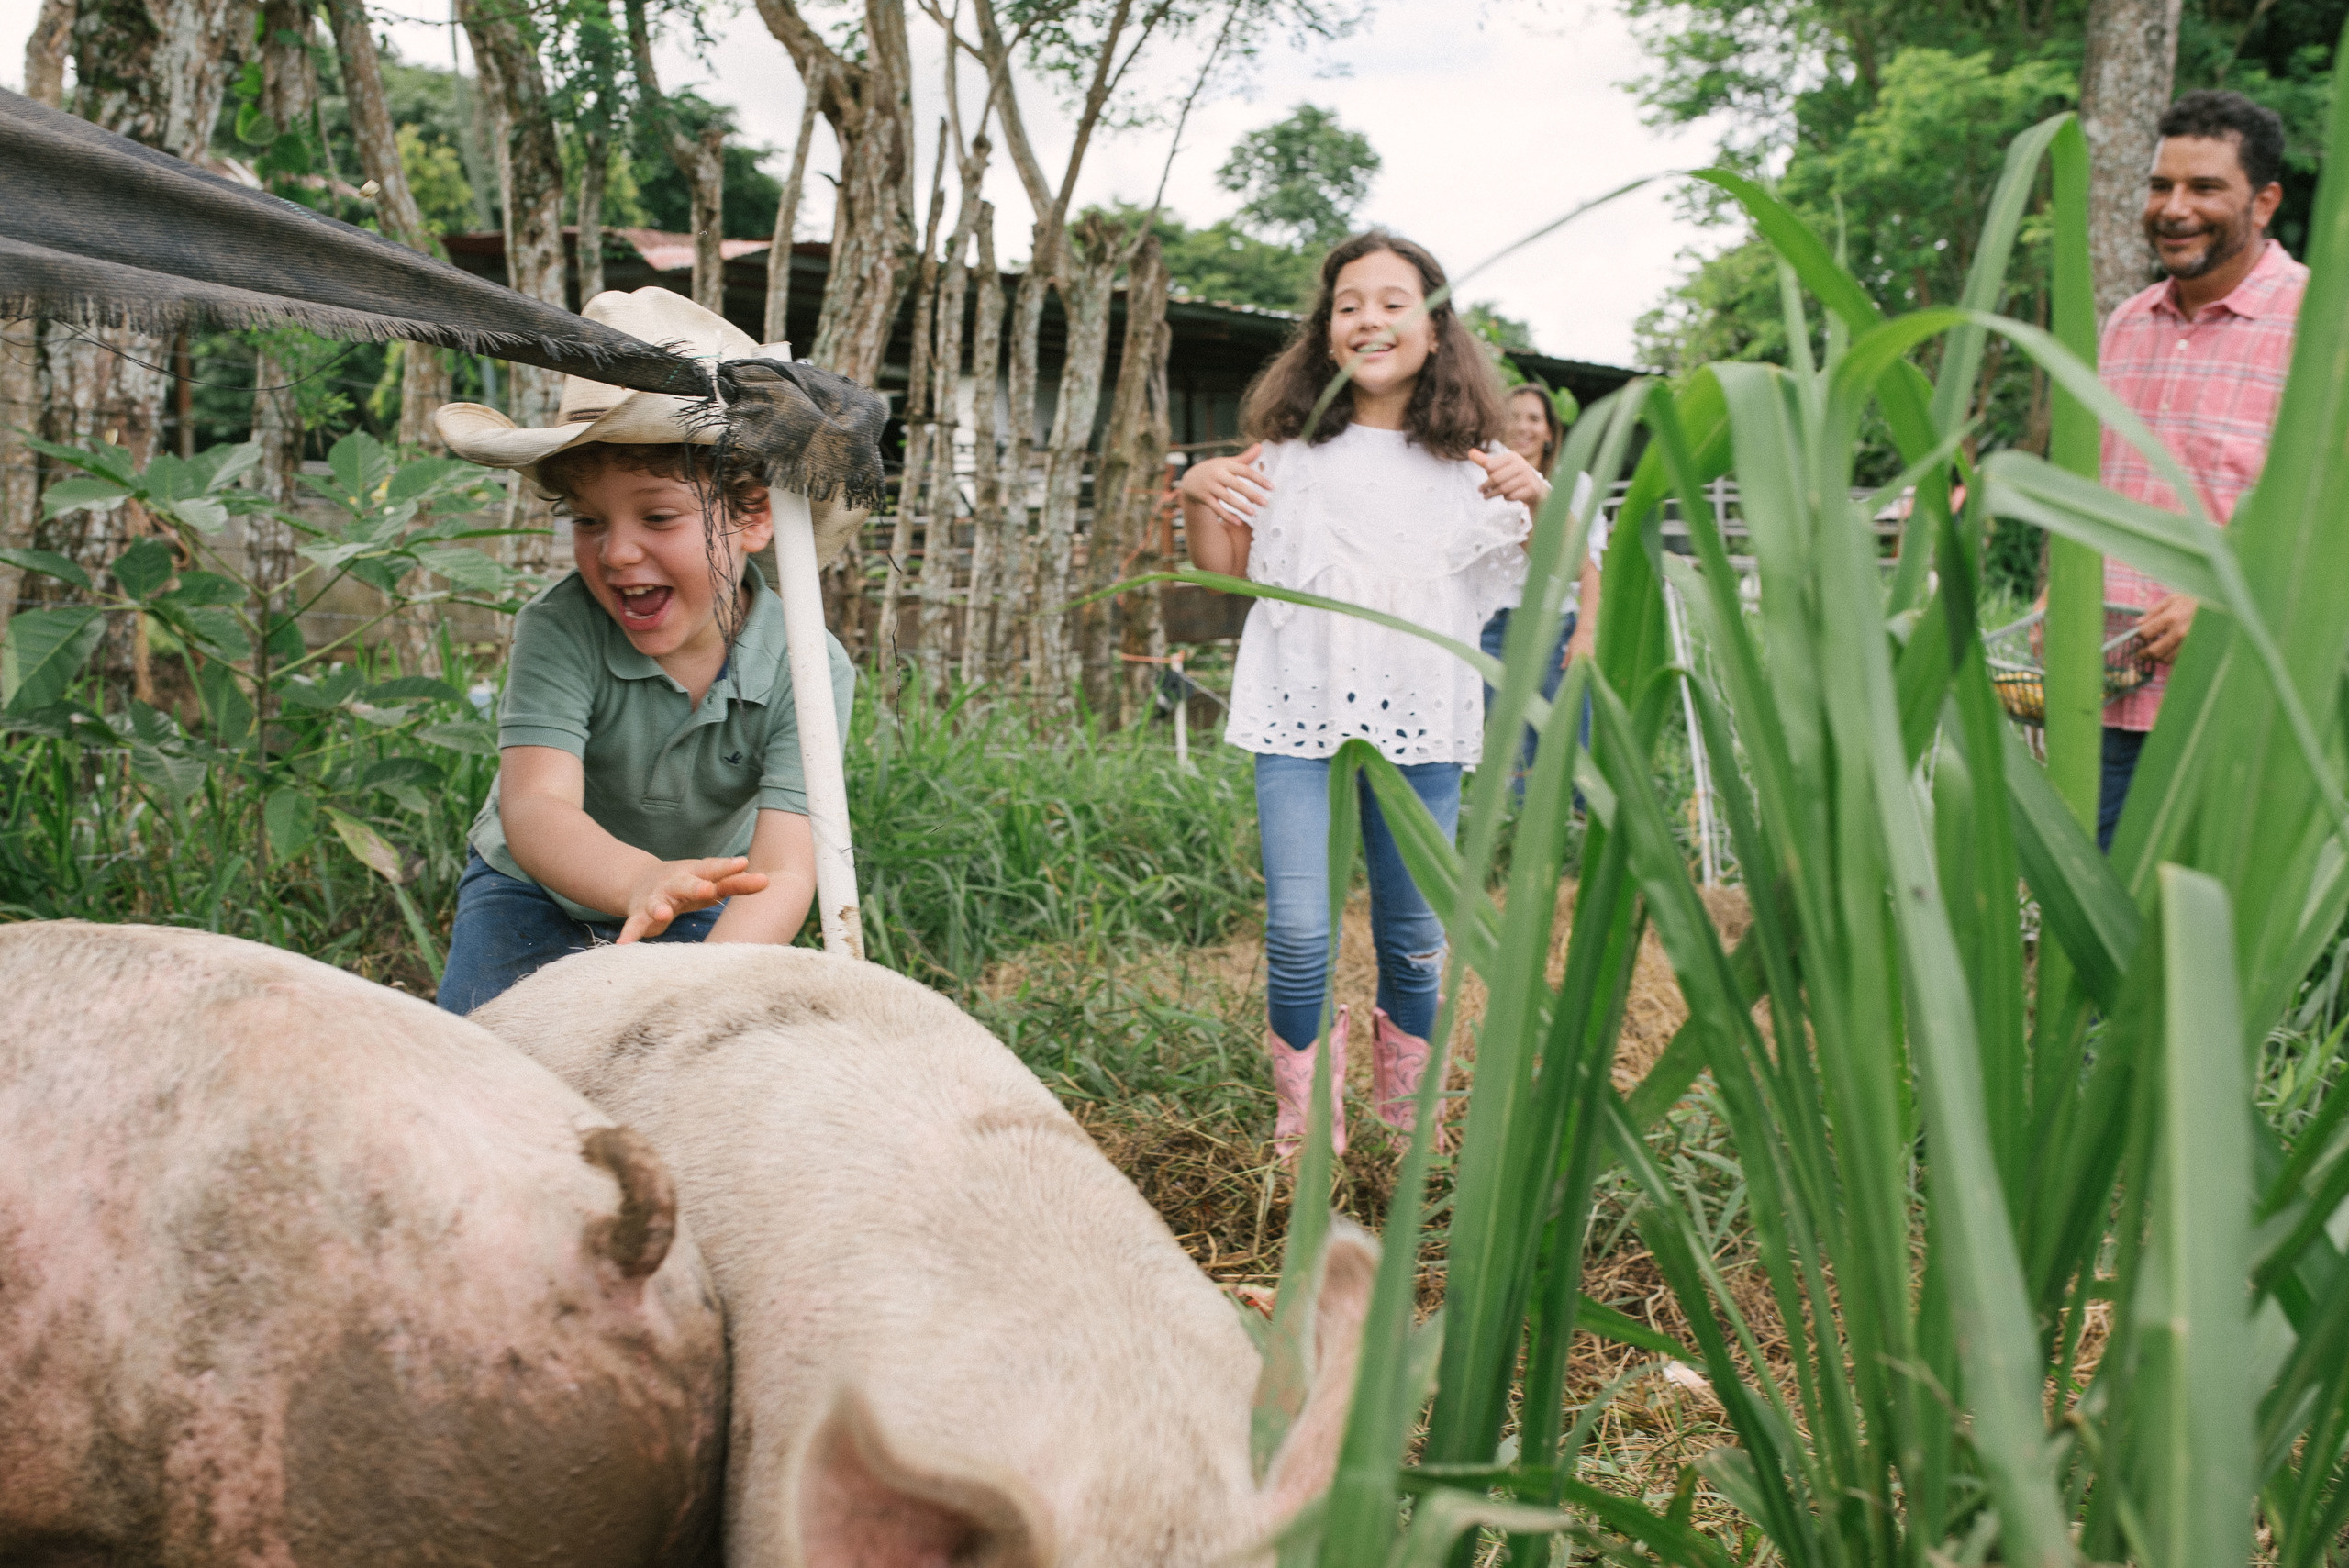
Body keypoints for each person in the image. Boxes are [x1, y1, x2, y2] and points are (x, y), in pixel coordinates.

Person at [1179, 230, 1548, 1160]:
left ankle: (1401, 1116)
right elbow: (1231, 577)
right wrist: (1194, 491)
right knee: (1299, 931)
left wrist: (1539, 500)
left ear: (1434, 329)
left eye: (1393, 301)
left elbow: (1537, 583)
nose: (1369, 318)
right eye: (1348, 304)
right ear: (1325, 332)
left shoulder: (1473, 467)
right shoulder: (1286, 456)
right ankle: (1304, 1125)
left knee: (1415, 935)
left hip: (1424, 720)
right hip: (1299, 716)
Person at [430, 287, 860, 1013]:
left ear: (753, 514)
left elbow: (785, 872)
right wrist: (637, 880)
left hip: (699, 896)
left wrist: (694, 989)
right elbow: (535, 806)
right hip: (532, 890)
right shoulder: (559, 627)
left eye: (658, 516)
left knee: (685, 1061)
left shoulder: (809, 668)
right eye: (589, 520)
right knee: (484, 1055)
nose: (618, 551)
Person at [2094, 88, 2307, 850]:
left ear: (2264, 202)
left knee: (2200, 945)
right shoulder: (2127, 323)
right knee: (2091, 944)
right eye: (2161, 186)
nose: (2174, 208)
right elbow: (2100, 486)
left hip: (2238, 709)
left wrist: (2222, 598)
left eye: (2205, 187)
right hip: (2107, 704)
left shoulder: (2321, 326)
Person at [1479, 381, 1604, 784]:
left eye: (1534, 418)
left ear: (1550, 431)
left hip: (1555, 622)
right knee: (1507, 740)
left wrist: (1585, 631)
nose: (1523, 427)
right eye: (1513, 417)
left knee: (1563, 733)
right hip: (1493, 625)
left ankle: (1575, 821)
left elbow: (1591, 565)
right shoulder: (1482, 479)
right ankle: (1517, 829)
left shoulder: (1575, 485)